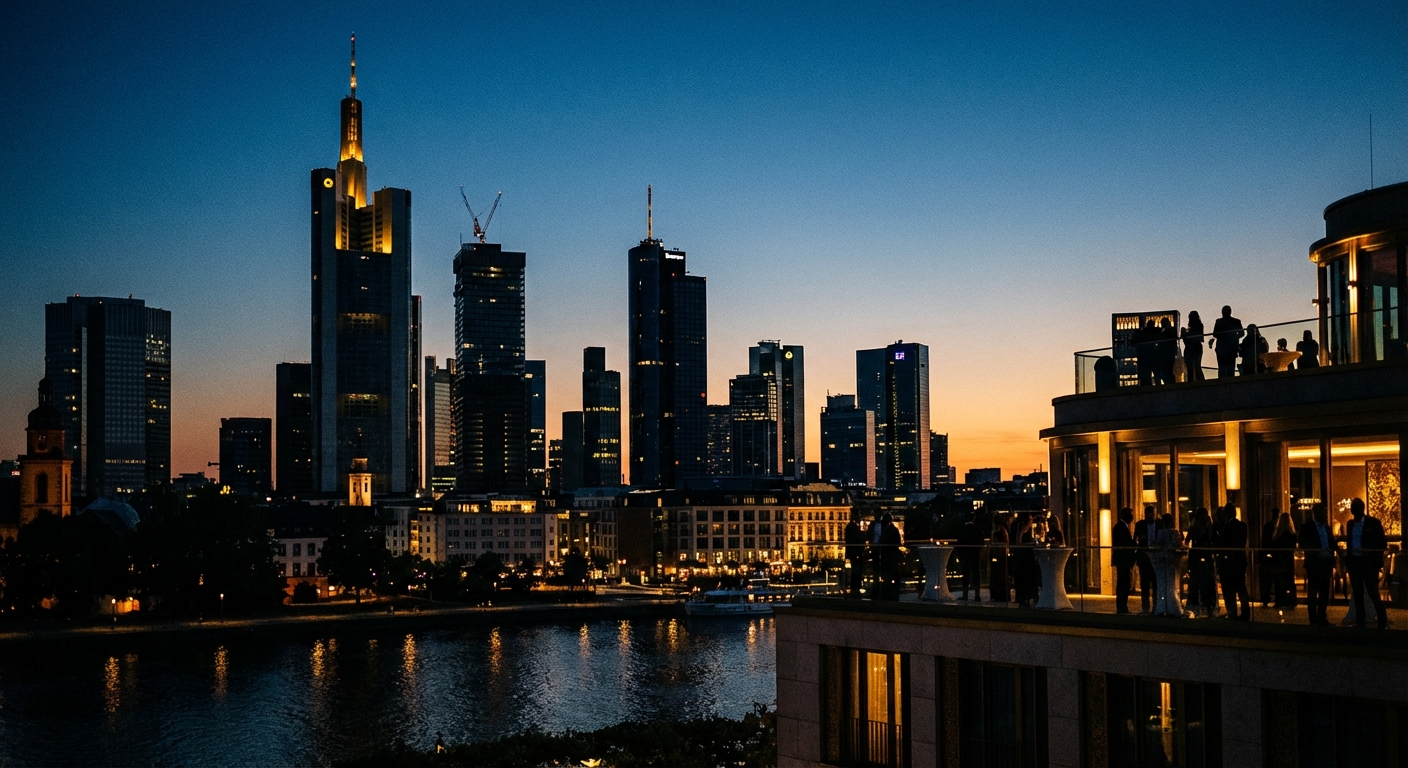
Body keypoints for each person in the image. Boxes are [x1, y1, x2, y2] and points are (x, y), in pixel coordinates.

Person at [1343, 497, 1388, 629]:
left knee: (1372, 591)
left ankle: (1381, 618)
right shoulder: (1350, 524)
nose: (1352, 511)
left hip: (1368, 562)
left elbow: (1381, 542)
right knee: (1358, 593)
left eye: (1354, 508)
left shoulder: (1373, 522)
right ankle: (1360, 621)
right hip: (1355, 561)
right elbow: (1350, 542)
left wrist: (1370, 554)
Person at [1298, 503, 1335, 625]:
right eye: (1322, 512)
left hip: (1326, 562)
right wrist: (1316, 552)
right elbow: (1303, 544)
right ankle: (1313, 618)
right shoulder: (1307, 527)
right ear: (1315, 513)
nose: (1324, 514)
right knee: (1313, 591)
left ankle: (1322, 617)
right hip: (1314, 563)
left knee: (1324, 591)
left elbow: (1331, 542)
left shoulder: (1326, 527)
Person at [1214, 505, 1251, 620]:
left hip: (1228, 562)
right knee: (1241, 588)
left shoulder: (1226, 527)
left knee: (1229, 589)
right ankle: (1245, 612)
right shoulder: (1242, 525)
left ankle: (1232, 612)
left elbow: (1222, 543)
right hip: (1239, 561)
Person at [1184, 507, 1217, 617]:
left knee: (1203, 583)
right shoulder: (1200, 528)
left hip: (1202, 557)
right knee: (1199, 582)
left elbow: (1188, 540)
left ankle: (1205, 606)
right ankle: (1204, 606)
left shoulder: (1206, 528)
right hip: (1200, 557)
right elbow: (1188, 540)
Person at [1152, 513, 1183, 617]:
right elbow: (1178, 545)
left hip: (1162, 561)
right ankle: (1172, 607)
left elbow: (1157, 544)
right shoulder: (1174, 532)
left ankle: (1162, 607)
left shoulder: (1161, 532)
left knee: (1162, 584)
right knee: (1172, 584)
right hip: (1172, 562)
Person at [1133, 506, 1158, 614]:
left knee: (1156, 584)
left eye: (1150, 513)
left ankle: (1156, 606)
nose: (1149, 516)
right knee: (1145, 584)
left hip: (1156, 557)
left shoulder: (1159, 524)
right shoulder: (1139, 524)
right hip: (1144, 558)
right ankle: (1145, 607)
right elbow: (1135, 539)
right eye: (1147, 514)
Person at [1269, 512, 1297, 608]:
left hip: (1278, 560)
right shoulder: (1292, 534)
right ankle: (1291, 601)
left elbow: (1274, 547)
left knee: (1278, 581)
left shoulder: (1277, 535)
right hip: (1288, 560)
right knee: (1289, 581)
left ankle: (1279, 601)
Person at [956, 511, 985, 601]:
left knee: (966, 575)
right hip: (975, 554)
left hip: (965, 554)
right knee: (976, 574)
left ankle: (965, 595)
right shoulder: (977, 528)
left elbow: (959, 542)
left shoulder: (963, 528)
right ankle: (977, 595)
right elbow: (982, 542)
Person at [1011, 513, 1040, 607]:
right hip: (1025, 557)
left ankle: (1025, 599)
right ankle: (1026, 599)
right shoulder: (1023, 529)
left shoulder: (1021, 528)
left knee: (1025, 578)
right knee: (1027, 578)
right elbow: (1019, 541)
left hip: (1023, 557)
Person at [1112, 507, 1136, 614]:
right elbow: (1125, 543)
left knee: (1124, 583)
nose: (1132, 516)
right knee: (1123, 583)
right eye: (1130, 514)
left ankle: (1122, 607)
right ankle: (1122, 607)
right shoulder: (1120, 527)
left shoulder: (1121, 526)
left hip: (1123, 560)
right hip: (1123, 560)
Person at [1211, 305, 1244, 378]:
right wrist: (1234, 337)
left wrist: (1223, 336)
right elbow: (1242, 333)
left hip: (1222, 347)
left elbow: (1215, 334)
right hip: (1231, 347)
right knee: (1230, 369)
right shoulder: (1236, 321)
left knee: (1222, 368)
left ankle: (1222, 384)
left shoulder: (1219, 321)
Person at [843, 509, 866, 598]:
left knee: (855, 570)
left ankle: (855, 587)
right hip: (855, 551)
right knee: (856, 570)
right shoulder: (852, 527)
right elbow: (855, 539)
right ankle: (856, 587)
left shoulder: (851, 526)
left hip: (854, 551)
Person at [989, 513, 1011, 604]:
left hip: (999, 554)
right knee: (1000, 575)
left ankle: (999, 595)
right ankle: (1001, 595)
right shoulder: (1002, 529)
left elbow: (1005, 541)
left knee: (998, 575)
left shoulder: (999, 529)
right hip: (1000, 554)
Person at [1258, 515, 1278, 607]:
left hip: (1268, 557)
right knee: (1271, 579)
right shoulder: (1274, 527)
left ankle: (1266, 598)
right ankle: (1271, 598)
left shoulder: (1267, 526)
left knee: (1267, 580)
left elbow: (1264, 542)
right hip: (1272, 557)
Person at [1183, 311, 1205, 382]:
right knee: (1197, 367)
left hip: (1191, 348)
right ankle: (1200, 382)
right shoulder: (1200, 325)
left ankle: (1192, 382)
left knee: (1191, 368)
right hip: (1196, 347)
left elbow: (1190, 337)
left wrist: (1184, 332)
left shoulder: (1196, 327)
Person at [1134, 319, 1158, 386]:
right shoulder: (1154, 333)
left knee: (1145, 375)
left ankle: (1146, 387)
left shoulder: (1142, 333)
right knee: (1156, 373)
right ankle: (1157, 386)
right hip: (1152, 356)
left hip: (1143, 357)